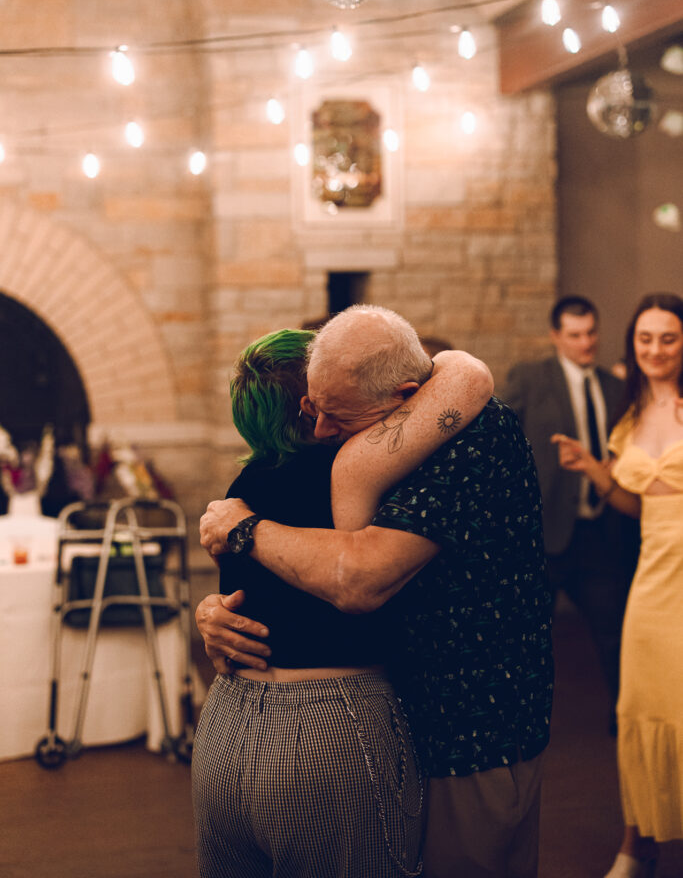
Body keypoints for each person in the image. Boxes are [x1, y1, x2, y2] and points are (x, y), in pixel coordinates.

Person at [199, 305, 554, 878]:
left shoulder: (471, 436)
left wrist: (245, 529)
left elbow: (359, 578)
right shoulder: (375, 447)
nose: (323, 430)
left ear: (405, 396)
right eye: (313, 410)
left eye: (336, 413)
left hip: (470, 735)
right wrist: (215, 611)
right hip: (405, 726)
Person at [551, 292, 683, 878]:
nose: (655, 349)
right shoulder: (629, 415)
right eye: (645, 338)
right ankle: (638, 844)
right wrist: (593, 470)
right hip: (652, 581)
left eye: (668, 338)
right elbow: (637, 504)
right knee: (639, 706)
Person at [502, 295, 638, 727]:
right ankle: (519, 722)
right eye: (575, 335)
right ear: (556, 336)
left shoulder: (615, 386)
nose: (586, 342)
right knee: (528, 637)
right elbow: (502, 440)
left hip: (598, 529)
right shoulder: (530, 377)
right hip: (544, 532)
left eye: (591, 333)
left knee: (614, 628)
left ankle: (626, 718)